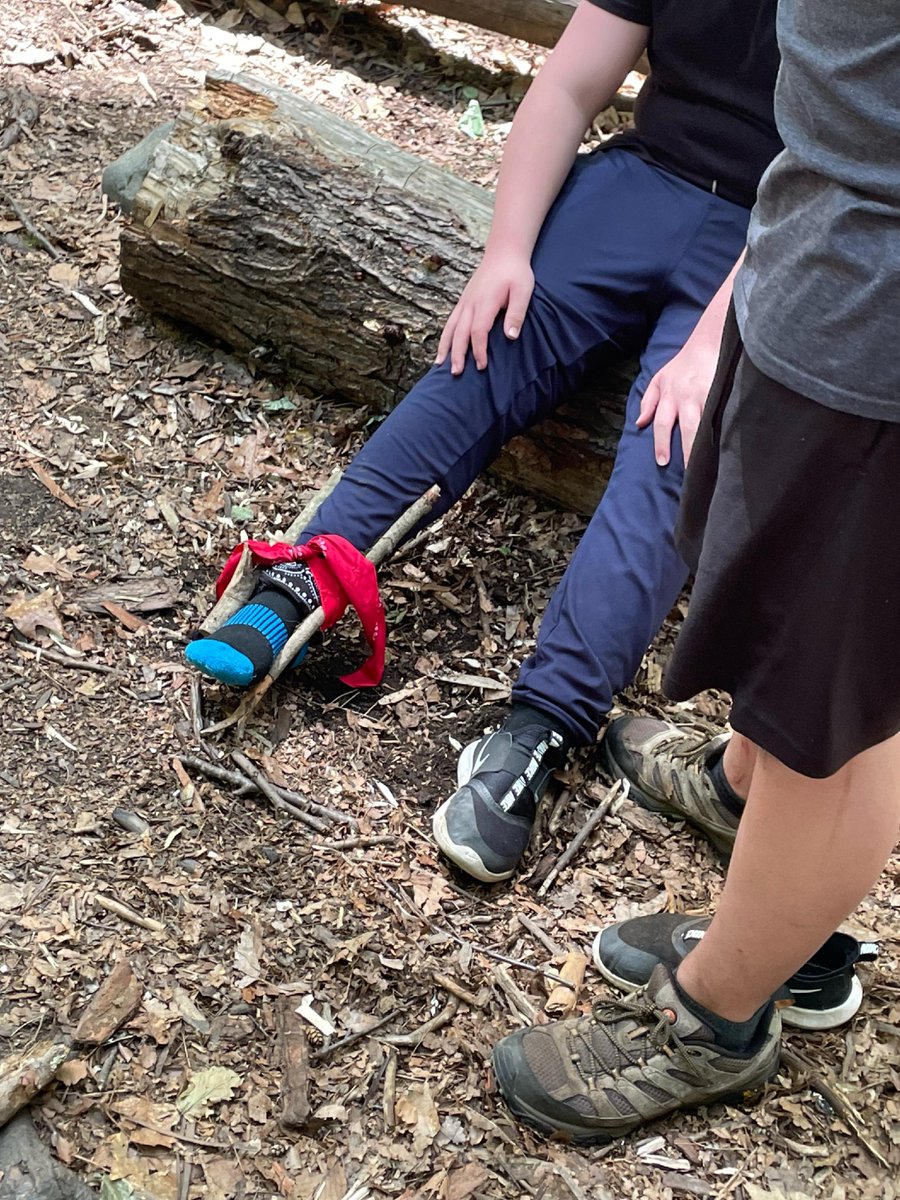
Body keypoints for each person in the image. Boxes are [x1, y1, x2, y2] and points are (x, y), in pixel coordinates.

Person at [185, 0, 781, 882]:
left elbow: (828, 182)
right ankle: (309, 574)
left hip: (772, 238)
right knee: (486, 348)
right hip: (640, 186)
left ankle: (545, 725)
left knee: (674, 446)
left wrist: (708, 351)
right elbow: (570, 85)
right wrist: (507, 251)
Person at [490, 0, 900, 1142]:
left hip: (879, 338)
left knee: (832, 712)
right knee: (796, 633)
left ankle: (721, 1009)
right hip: (820, 253)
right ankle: (748, 805)